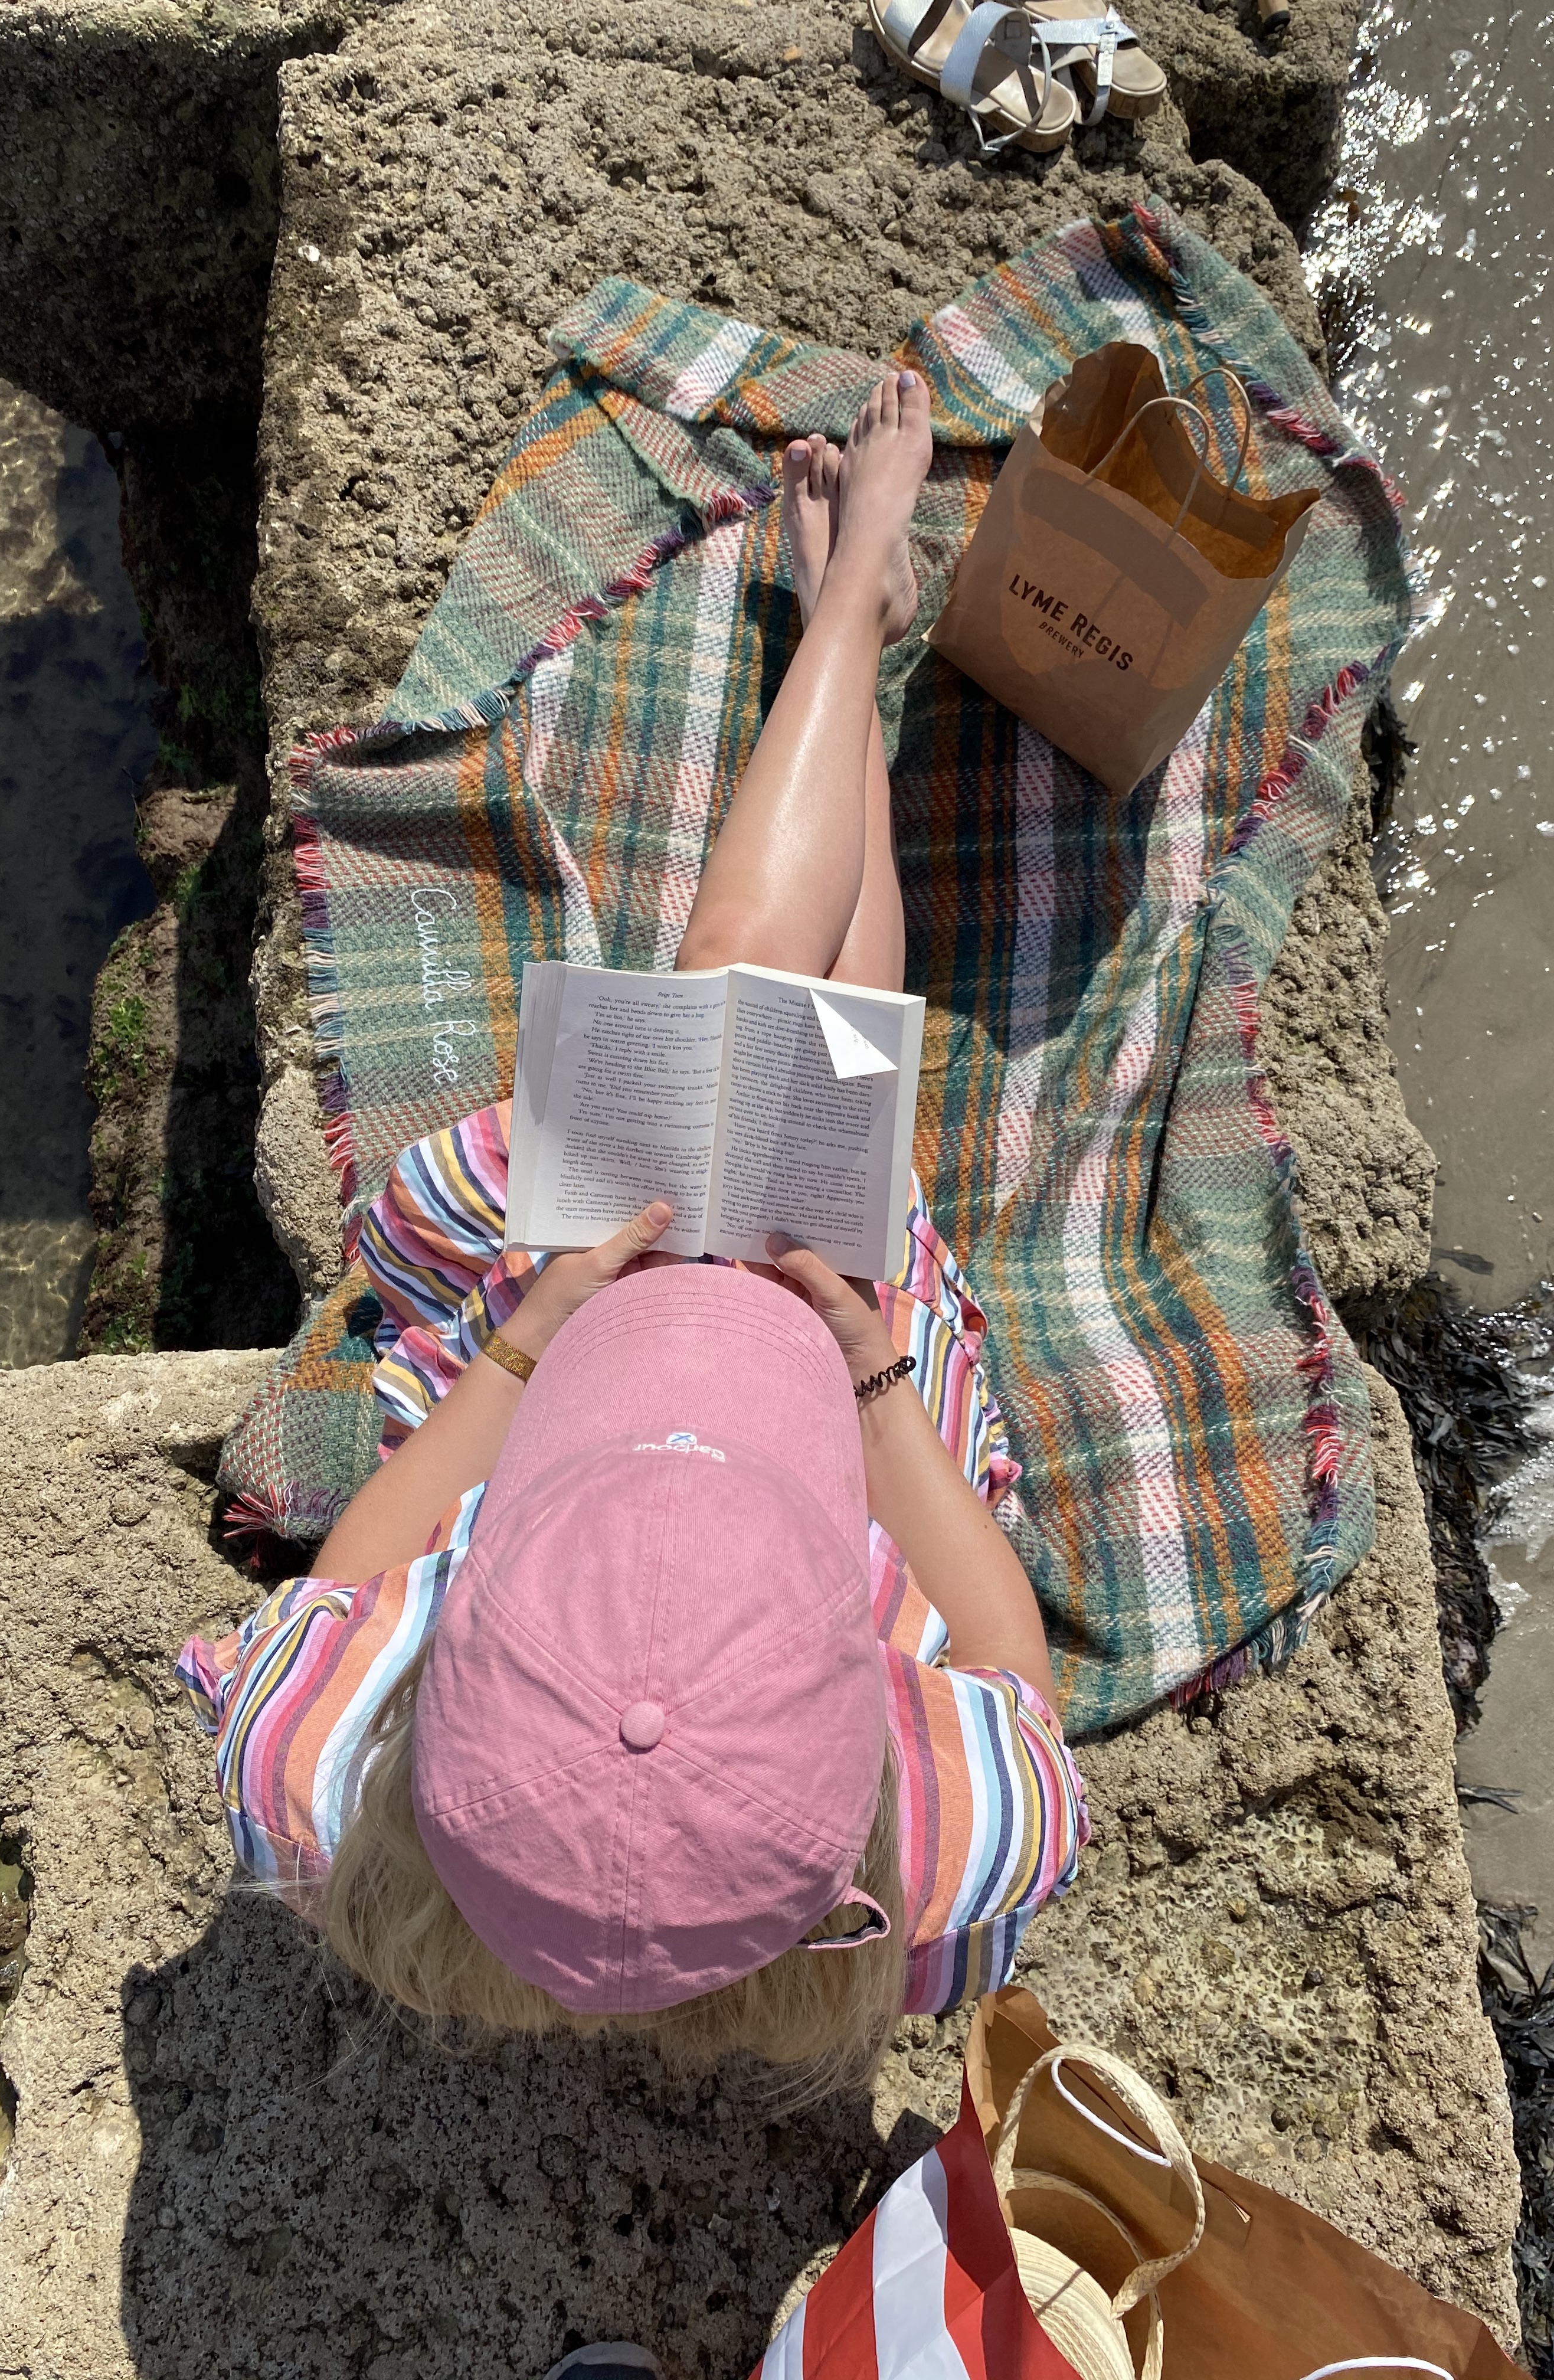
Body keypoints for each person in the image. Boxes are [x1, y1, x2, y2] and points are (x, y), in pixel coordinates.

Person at [180, 372, 1088, 2098]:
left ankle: (849, 620)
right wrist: (875, 1375)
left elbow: (360, 1558)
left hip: (585, 1333)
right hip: (842, 1383)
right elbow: (1013, 1664)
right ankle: (857, 618)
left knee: (759, 1003)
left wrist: (536, 1333)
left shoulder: (316, 1789)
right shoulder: (949, 1866)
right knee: (796, 1031)